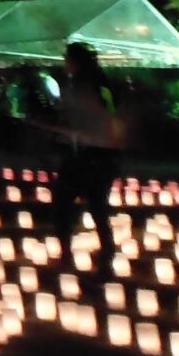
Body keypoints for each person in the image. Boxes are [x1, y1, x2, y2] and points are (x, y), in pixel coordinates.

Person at [46, 43, 124, 274]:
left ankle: (80, 255)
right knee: (94, 206)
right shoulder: (96, 84)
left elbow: (94, 119)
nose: (64, 64)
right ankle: (101, 255)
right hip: (96, 154)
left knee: (72, 205)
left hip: (91, 154)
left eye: (67, 59)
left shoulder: (89, 86)